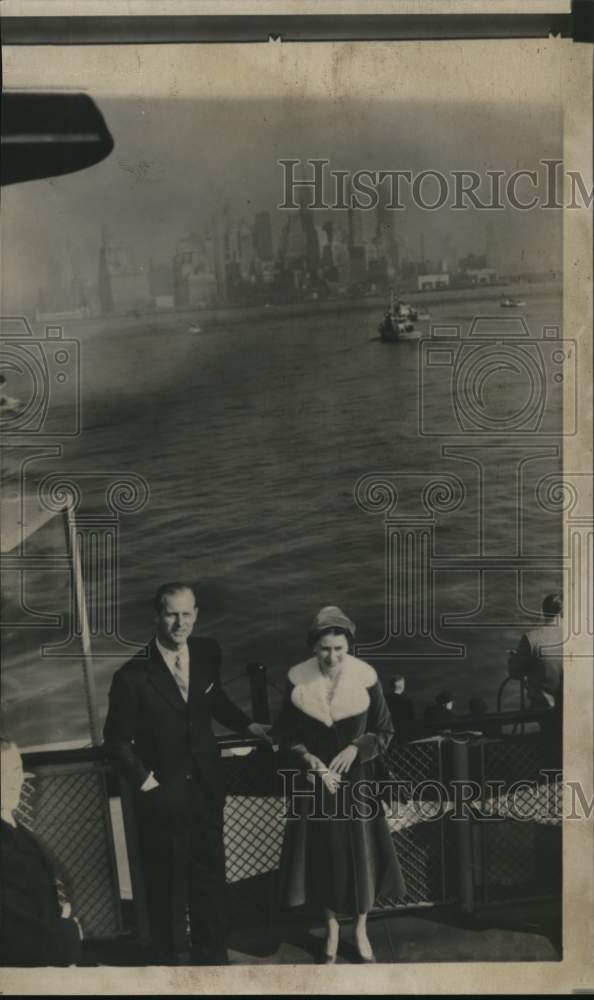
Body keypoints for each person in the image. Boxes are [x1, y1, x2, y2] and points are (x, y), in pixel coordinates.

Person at [103, 582, 270, 965]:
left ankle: (213, 963)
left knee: (211, 885)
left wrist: (250, 727)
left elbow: (215, 702)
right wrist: (151, 786)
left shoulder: (208, 652)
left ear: (197, 615)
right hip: (162, 800)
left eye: (187, 613)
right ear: (156, 616)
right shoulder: (132, 676)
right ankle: (170, 969)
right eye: (171, 613)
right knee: (167, 890)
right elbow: (116, 743)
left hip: (207, 792)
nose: (180, 623)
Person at [275, 606, 406, 964]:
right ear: (313, 648)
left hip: (359, 784)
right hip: (316, 786)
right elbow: (284, 734)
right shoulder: (297, 680)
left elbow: (385, 730)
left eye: (339, 649)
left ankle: (361, 928)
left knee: (363, 855)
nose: (331, 656)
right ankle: (332, 928)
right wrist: (309, 760)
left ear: (348, 647)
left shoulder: (366, 678)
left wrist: (356, 748)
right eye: (324, 649)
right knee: (323, 856)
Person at [0, 737, 83, 967]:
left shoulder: (11, 825)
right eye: (5, 773)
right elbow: (14, 931)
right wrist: (68, 932)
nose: (16, 781)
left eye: (17, 770)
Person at [508, 593, 563, 739]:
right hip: (577, 707)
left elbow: (514, 672)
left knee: (550, 746)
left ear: (544, 612)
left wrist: (515, 659)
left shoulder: (531, 638)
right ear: (563, 612)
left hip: (545, 710)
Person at [385, 674, 416, 743]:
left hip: (386, 734)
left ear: (391, 686)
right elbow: (411, 719)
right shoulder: (407, 701)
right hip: (402, 734)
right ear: (402, 686)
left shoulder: (384, 700)